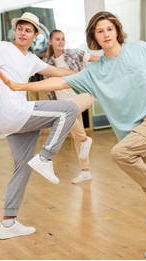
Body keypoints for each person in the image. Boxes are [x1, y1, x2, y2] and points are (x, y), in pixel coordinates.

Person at [0, 11, 146, 258]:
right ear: (94, 37)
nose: (105, 34)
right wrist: (20, 86)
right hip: (134, 133)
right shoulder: (95, 71)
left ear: (117, 31)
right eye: (100, 31)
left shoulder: (140, 49)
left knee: (123, 157)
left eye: (109, 29)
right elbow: (58, 83)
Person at [0, 12, 93, 240]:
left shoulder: (31, 59)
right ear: (16, 31)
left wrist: (85, 75)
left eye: (28, 30)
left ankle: (8, 223)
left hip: (11, 121)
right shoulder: (2, 48)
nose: (22, 32)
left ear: (35, 35)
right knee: (69, 109)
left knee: (22, 168)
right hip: (16, 113)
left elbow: (57, 72)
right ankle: (45, 158)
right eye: (20, 28)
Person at [45, 29, 101, 184]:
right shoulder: (48, 64)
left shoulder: (75, 53)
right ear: (50, 42)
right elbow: (49, 88)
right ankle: (85, 171)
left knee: (71, 120)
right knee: (77, 137)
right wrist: (52, 107)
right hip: (64, 104)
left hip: (82, 95)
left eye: (63, 38)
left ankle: (85, 139)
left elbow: (97, 59)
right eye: (57, 39)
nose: (61, 42)